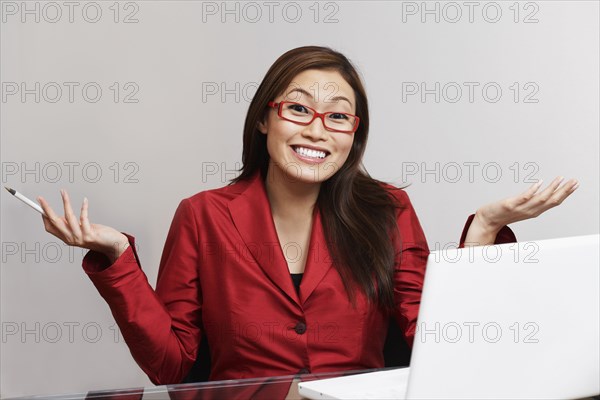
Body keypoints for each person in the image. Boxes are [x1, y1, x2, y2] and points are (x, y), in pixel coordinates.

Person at [37, 46, 578, 386]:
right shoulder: (202, 216)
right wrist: (117, 259)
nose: (318, 129)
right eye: (299, 108)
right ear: (264, 120)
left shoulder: (388, 210)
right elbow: (172, 366)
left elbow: (435, 343)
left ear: (354, 135)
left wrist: (481, 231)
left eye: (338, 117)